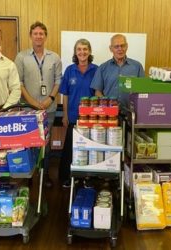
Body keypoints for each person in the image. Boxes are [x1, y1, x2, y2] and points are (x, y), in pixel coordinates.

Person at [14, 21, 62, 187]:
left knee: (46, 145)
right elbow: (18, 83)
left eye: (41, 33)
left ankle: (45, 175)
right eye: (35, 33)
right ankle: (28, 176)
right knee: (28, 143)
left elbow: (58, 81)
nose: (38, 36)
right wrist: (33, 102)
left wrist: (50, 98)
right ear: (30, 36)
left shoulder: (54, 57)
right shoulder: (21, 57)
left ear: (45, 36)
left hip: (49, 108)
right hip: (28, 109)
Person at [58, 39, 98, 188]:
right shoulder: (70, 70)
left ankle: (88, 178)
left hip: (91, 118)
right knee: (70, 148)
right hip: (73, 117)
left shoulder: (96, 70)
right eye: (79, 49)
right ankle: (67, 177)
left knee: (89, 148)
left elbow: (98, 93)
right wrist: (65, 115)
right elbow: (65, 95)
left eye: (85, 49)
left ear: (89, 51)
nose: (82, 52)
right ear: (75, 52)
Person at [90, 34, 144, 106]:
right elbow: (97, 92)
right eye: (116, 46)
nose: (120, 49)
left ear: (127, 46)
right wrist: (107, 105)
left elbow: (142, 91)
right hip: (109, 114)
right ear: (110, 48)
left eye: (122, 45)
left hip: (131, 112)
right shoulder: (103, 68)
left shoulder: (137, 66)